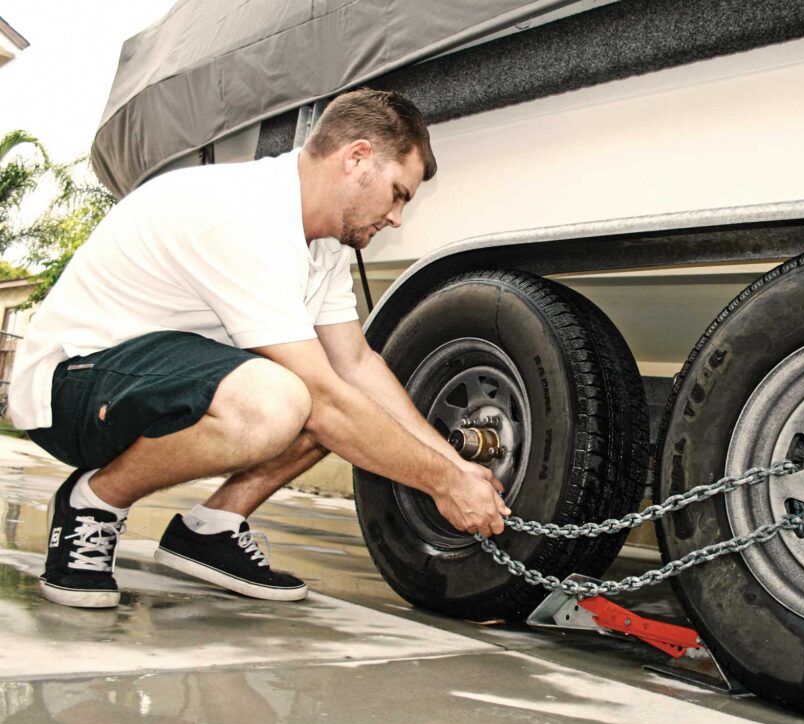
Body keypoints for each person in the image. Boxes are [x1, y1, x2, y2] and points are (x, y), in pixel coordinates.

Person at [8, 89, 511, 609]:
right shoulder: (243, 213)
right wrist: (444, 483)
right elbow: (325, 397)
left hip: (153, 380)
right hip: (73, 385)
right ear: (357, 157)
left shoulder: (324, 245)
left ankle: (211, 528)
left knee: (342, 405)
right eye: (398, 193)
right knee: (287, 399)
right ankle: (94, 501)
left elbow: (357, 366)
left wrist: (450, 461)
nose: (397, 218)